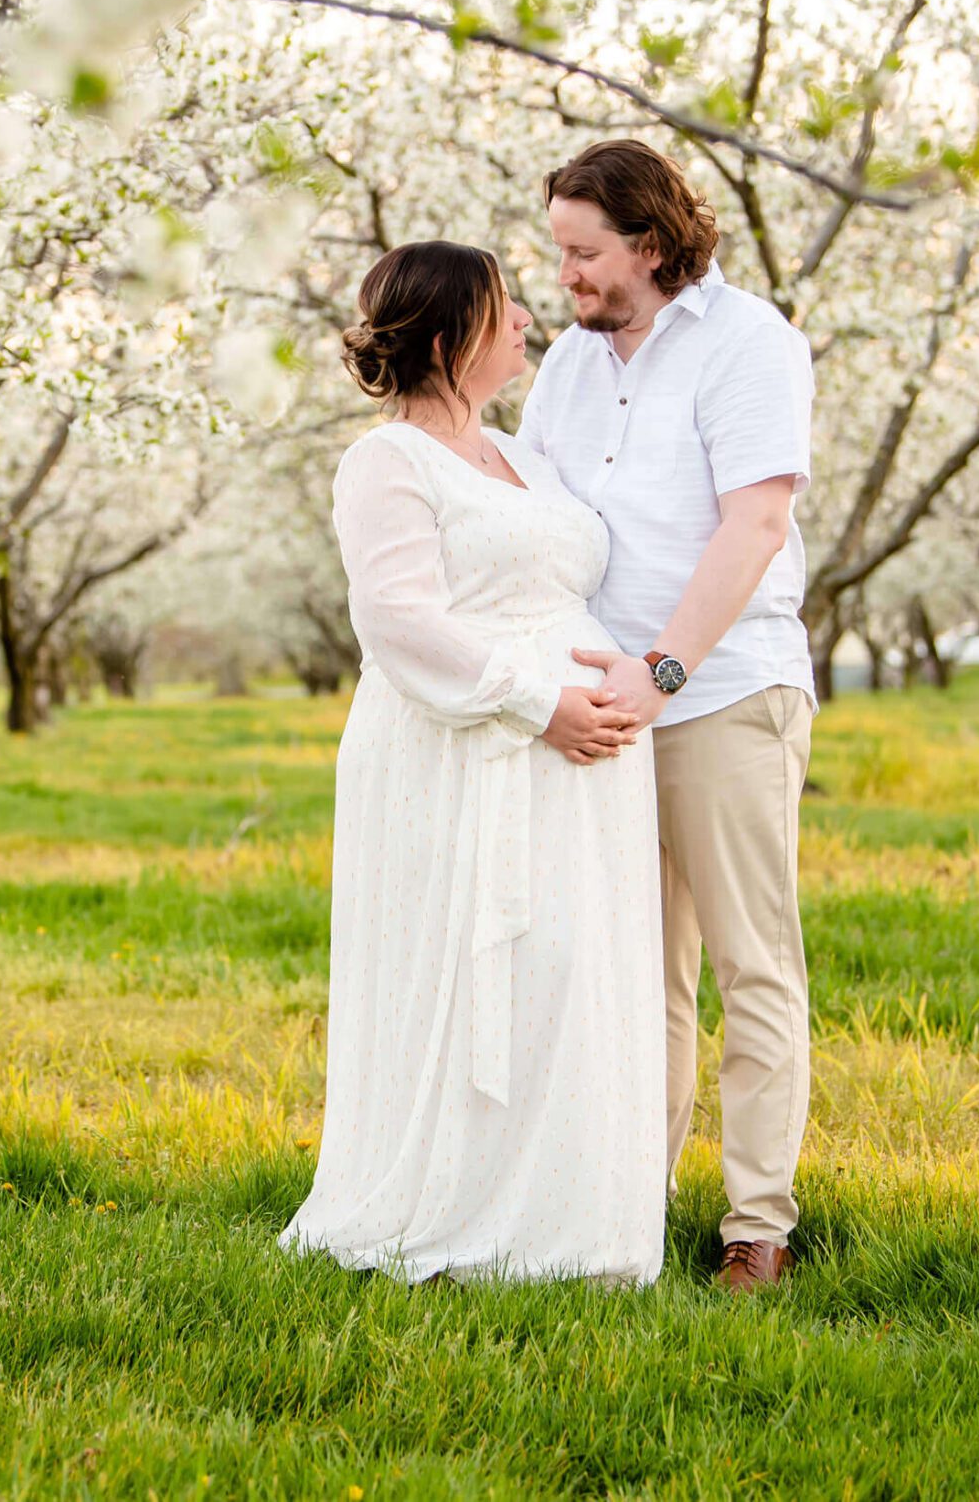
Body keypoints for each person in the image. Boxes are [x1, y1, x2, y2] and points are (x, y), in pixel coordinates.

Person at [278, 240, 664, 1287]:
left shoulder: (524, 456)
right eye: (508, 309)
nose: (531, 321)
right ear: (450, 337)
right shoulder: (385, 461)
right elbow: (398, 620)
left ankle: (569, 1217)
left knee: (568, 969)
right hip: (462, 747)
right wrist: (538, 703)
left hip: (580, 763)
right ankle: (451, 1205)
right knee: (482, 965)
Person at [518, 139, 817, 1293]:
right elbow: (538, 512)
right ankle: (627, 1206)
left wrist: (663, 670)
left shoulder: (750, 345)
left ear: (648, 242)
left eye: (584, 255)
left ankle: (756, 1226)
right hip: (605, 705)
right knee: (636, 975)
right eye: (559, 253)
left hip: (723, 689)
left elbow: (751, 526)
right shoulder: (571, 365)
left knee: (752, 966)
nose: (567, 279)